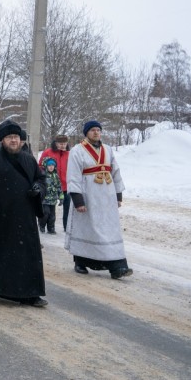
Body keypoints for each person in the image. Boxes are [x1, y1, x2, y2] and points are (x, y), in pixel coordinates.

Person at [0, 119, 48, 307]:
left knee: (27, 255)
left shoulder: (29, 159)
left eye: (17, 137)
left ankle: (30, 293)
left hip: (25, 216)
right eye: (10, 137)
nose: (14, 141)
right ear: (2, 140)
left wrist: (38, 188)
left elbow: (41, 179)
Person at [65, 120, 132, 279]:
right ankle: (80, 262)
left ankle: (118, 267)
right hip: (88, 195)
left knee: (110, 230)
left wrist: (118, 194)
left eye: (98, 130)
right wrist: (78, 200)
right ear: (86, 132)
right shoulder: (77, 150)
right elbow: (73, 175)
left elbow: (115, 171)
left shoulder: (107, 149)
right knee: (87, 228)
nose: (96, 132)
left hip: (107, 197)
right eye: (93, 130)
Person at [39, 134, 71, 231]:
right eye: (60, 143)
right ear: (55, 143)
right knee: (48, 210)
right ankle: (43, 224)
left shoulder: (70, 153)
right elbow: (40, 166)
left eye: (65, 143)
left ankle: (67, 227)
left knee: (67, 208)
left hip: (66, 186)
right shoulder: (48, 152)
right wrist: (44, 177)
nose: (63, 146)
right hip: (50, 186)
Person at [39, 158, 62, 234]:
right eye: (49, 165)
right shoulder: (43, 175)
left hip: (53, 200)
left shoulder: (56, 176)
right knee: (46, 213)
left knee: (52, 216)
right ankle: (41, 225)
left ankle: (51, 228)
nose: (51, 167)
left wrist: (61, 197)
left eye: (52, 165)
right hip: (45, 199)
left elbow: (59, 187)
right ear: (46, 166)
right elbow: (39, 186)